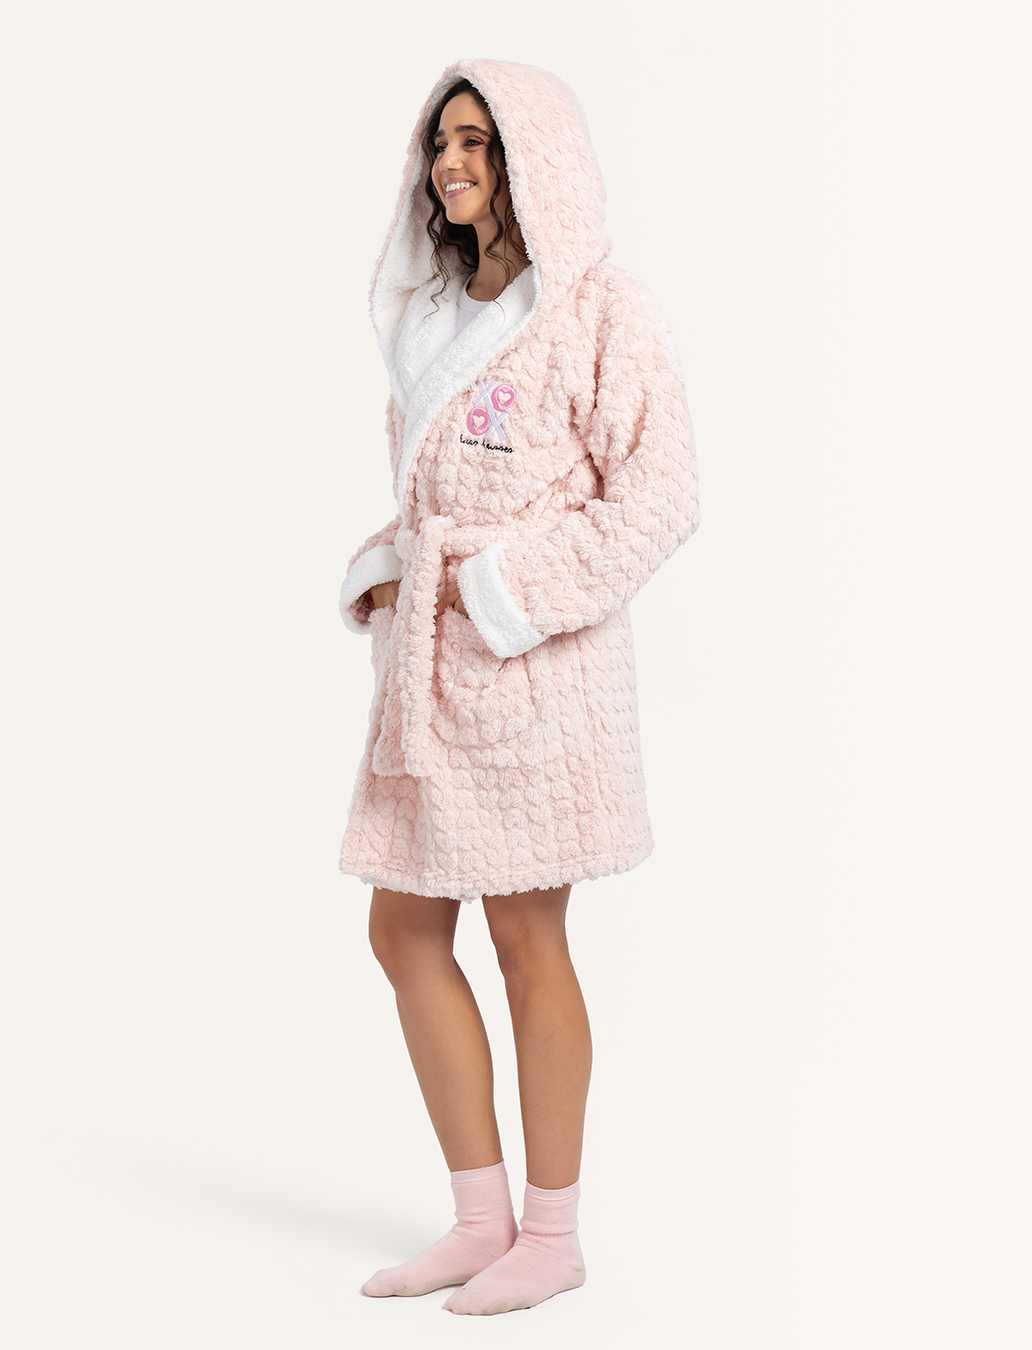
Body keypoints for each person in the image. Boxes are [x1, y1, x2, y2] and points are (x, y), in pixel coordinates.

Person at [337, 59, 700, 1316]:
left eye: (479, 143)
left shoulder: (598, 309)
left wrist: (501, 592)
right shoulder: (435, 315)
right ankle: (479, 1218)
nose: (452, 164)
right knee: (402, 931)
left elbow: (661, 495)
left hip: (536, 675)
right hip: (433, 682)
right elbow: (429, 498)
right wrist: (390, 571)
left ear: (532, 156)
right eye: (442, 142)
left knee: (525, 938)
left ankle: (552, 1236)